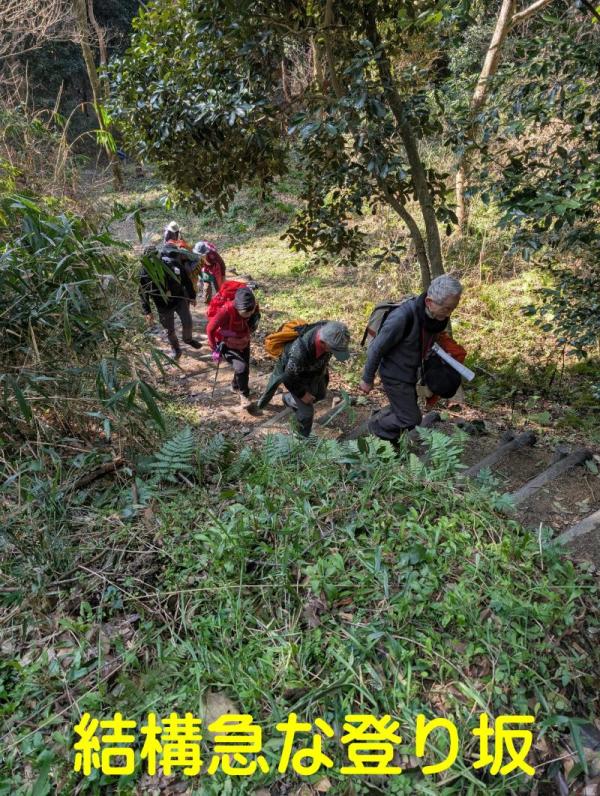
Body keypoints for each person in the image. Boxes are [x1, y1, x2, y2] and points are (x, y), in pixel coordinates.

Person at [359, 274, 463, 443]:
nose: (449, 313)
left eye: (453, 308)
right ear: (429, 301)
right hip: (394, 373)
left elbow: (426, 340)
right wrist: (367, 379)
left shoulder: (436, 318)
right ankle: (376, 428)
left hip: (412, 373)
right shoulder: (402, 317)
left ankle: (388, 444)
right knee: (410, 418)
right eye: (447, 308)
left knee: (404, 410)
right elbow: (377, 348)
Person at [258, 321, 351, 437]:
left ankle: (290, 399)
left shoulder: (330, 331)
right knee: (307, 413)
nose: (333, 353)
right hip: (295, 374)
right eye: (333, 350)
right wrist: (302, 394)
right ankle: (300, 439)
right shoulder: (299, 351)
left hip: (313, 369)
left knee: (320, 394)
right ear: (322, 343)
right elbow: (288, 377)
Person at [139, 245, 202, 360]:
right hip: (162, 305)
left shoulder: (172, 264)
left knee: (187, 322)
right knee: (169, 330)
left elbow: (186, 280)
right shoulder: (144, 272)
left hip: (179, 299)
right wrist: (147, 311)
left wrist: (192, 296)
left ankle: (188, 339)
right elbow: (143, 293)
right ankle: (176, 349)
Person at [206, 286, 260, 409]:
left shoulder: (252, 307)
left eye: (250, 312)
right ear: (237, 307)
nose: (248, 315)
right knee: (241, 368)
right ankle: (244, 395)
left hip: (243, 341)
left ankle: (235, 386)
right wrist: (214, 349)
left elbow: (253, 322)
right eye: (245, 313)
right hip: (226, 344)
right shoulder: (226, 311)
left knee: (244, 368)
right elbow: (210, 328)